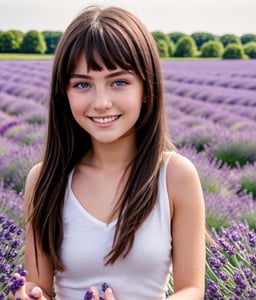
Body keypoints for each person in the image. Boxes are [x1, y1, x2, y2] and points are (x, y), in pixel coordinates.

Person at [10, 5, 206, 300]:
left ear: (146, 88)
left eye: (118, 82)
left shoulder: (175, 175)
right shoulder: (44, 180)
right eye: (82, 84)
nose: (101, 102)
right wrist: (27, 296)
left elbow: (192, 289)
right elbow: (39, 285)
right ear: (65, 93)